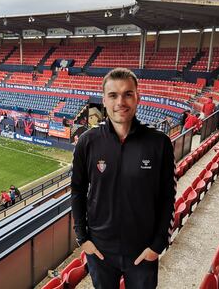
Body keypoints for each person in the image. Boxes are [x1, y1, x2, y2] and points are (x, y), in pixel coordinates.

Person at [71, 68, 176, 289]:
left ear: (138, 97)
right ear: (104, 100)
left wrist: (158, 245)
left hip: (142, 251)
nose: (121, 101)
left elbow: (168, 196)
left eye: (128, 94)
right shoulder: (87, 142)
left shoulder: (159, 144)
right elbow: (77, 191)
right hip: (100, 252)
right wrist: (83, 239)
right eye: (113, 95)